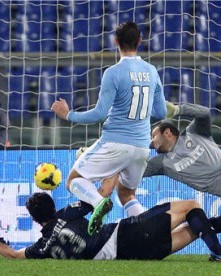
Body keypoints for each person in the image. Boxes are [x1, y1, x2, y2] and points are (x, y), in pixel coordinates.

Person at [0, 176, 221, 262]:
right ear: (52, 207)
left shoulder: (42, 248)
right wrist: (106, 171)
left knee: (198, 228)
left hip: (137, 255)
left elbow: (15, 254)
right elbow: (101, 196)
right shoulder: (67, 214)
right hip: (126, 233)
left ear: (33, 219)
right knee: (191, 208)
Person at [51, 21, 167, 235]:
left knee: (74, 180)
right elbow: (161, 114)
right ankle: (147, 234)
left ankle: (98, 203)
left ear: (115, 42)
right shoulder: (152, 71)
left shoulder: (113, 72)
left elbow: (100, 113)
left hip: (115, 142)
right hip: (142, 146)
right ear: (140, 41)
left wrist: (68, 114)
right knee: (127, 193)